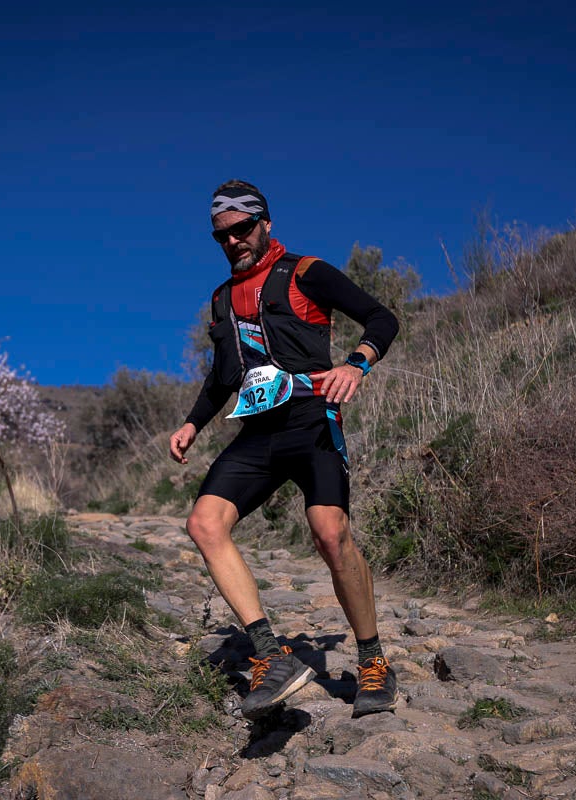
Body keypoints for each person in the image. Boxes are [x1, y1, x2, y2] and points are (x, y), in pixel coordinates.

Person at [168, 179, 401, 720]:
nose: (233, 241)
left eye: (242, 229)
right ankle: (271, 657)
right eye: (221, 235)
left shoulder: (305, 272)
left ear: (265, 223)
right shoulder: (222, 299)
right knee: (204, 524)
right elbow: (221, 375)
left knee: (330, 534)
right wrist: (192, 423)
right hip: (257, 432)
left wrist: (356, 363)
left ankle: (372, 660)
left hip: (310, 420)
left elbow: (382, 317)